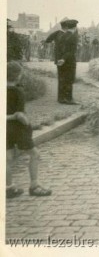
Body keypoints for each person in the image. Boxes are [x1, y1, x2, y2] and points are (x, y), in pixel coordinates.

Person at [6, 61, 52, 198]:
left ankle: (9, 188)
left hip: (5, 128)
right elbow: (19, 115)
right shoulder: (17, 91)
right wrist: (27, 122)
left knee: (6, 158)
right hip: (18, 129)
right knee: (34, 154)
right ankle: (34, 186)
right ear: (18, 76)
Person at [57, 19, 79, 105]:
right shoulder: (73, 37)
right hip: (69, 61)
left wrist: (61, 59)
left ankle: (62, 98)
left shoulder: (63, 35)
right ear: (75, 27)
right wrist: (64, 59)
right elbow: (71, 51)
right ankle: (69, 99)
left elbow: (60, 49)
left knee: (63, 79)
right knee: (70, 79)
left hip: (61, 60)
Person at [45, 20, 68, 102]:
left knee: (61, 78)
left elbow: (47, 40)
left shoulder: (57, 33)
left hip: (58, 58)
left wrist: (54, 44)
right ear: (66, 27)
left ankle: (60, 97)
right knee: (64, 78)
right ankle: (63, 98)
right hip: (64, 59)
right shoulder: (67, 35)